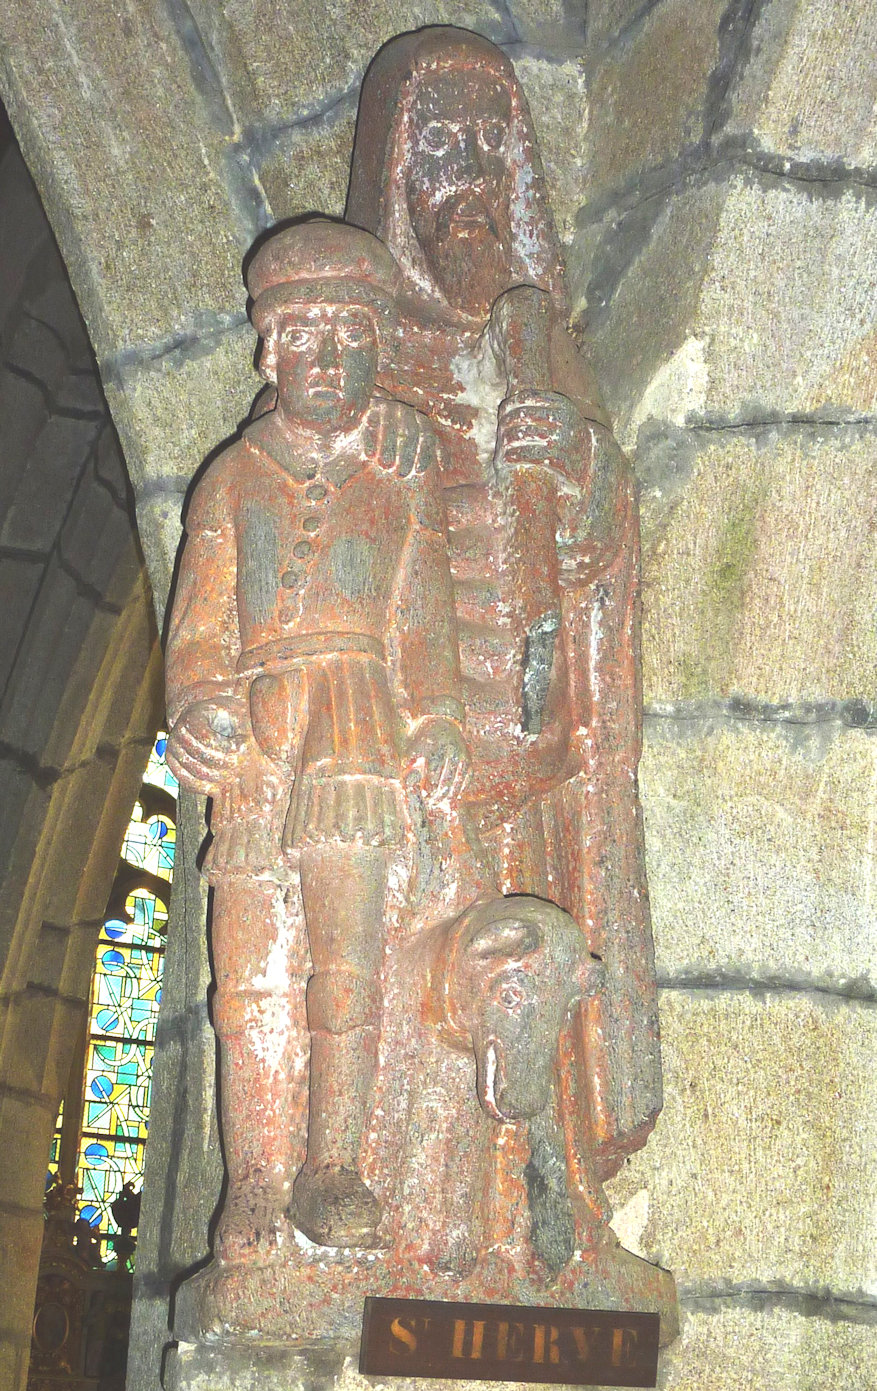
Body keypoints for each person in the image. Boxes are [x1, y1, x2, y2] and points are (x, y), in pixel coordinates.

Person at [345, 27, 662, 1245]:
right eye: (440, 146)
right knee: (412, 998)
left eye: (490, 144)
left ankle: (546, 1216)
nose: (468, 175)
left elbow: (600, 553)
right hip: (417, 756)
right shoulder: (357, 356)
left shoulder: (541, 349)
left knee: (540, 973)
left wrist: (576, 466)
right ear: (395, 174)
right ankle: (408, 1225)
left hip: (533, 763)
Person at [165, 219, 468, 1258]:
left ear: (378, 351)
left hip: (355, 719)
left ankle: (330, 1163)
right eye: (306, 340)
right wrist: (198, 705)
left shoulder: (399, 473)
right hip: (258, 729)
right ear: (269, 352)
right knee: (250, 963)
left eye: (350, 341)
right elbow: (199, 622)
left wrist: (434, 718)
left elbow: (421, 610)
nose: (329, 364)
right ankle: (254, 1175)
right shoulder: (234, 479)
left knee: (347, 957)